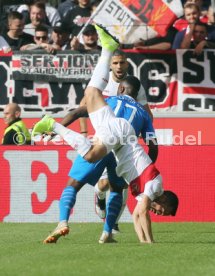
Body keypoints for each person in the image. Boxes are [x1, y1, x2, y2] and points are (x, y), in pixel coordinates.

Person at [32, 25, 179, 244]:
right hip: (122, 143)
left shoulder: (112, 99)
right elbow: (153, 144)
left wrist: (62, 124)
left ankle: (53, 125)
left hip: (114, 137)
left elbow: (79, 110)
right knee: (114, 187)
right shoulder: (144, 114)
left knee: (91, 97)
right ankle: (108, 231)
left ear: (120, 89)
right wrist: (148, 164)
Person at [79, 49, 153, 233]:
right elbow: (83, 105)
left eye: (122, 63)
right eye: (116, 63)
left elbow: (147, 113)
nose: (119, 66)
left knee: (121, 184)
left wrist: (142, 132)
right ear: (110, 65)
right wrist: (83, 131)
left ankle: (112, 224)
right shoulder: (103, 81)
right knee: (104, 184)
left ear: (127, 64)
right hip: (104, 137)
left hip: (124, 141)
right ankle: (99, 194)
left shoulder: (134, 85)